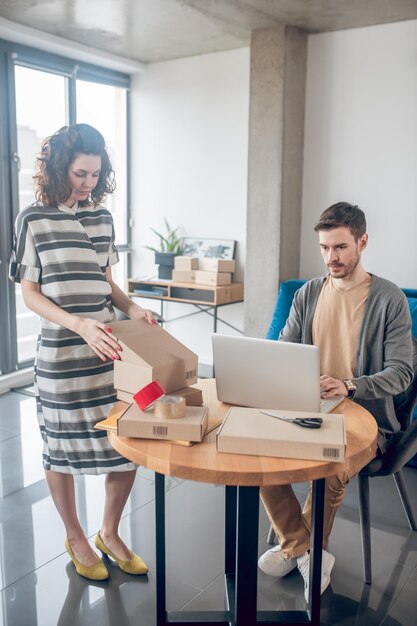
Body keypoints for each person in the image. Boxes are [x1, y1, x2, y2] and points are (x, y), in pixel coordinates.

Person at [9, 123, 157, 581]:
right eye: (79, 174)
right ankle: (75, 536)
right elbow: (30, 294)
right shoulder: (32, 219)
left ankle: (109, 533)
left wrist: (133, 308)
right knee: (60, 449)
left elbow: (107, 284)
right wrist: (77, 324)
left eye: (95, 174)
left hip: (109, 351)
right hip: (61, 355)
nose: (88, 183)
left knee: (128, 443)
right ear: (57, 168)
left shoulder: (102, 217)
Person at [258, 202, 413, 601]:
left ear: (363, 242)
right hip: (307, 409)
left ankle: (299, 549)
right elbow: (283, 349)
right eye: (325, 248)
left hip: (366, 420)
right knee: (254, 452)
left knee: (330, 467)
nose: (332, 258)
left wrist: (348, 386)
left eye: (341, 247)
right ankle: (307, 550)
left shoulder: (388, 299)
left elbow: (402, 373)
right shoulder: (309, 293)